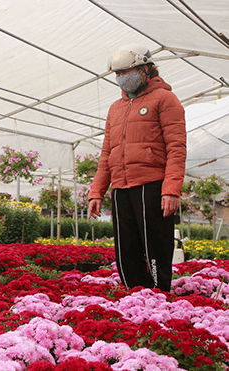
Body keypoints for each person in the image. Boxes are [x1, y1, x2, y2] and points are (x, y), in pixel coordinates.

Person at [88, 44, 186, 292]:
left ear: (145, 69)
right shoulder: (116, 108)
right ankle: (135, 297)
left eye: (127, 72)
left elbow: (176, 147)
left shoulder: (165, 99)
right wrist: (96, 191)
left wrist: (171, 189)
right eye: (117, 74)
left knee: (155, 247)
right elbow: (106, 154)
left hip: (152, 186)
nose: (122, 78)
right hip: (121, 188)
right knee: (125, 250)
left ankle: (158, 293)